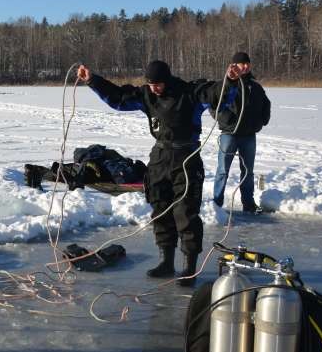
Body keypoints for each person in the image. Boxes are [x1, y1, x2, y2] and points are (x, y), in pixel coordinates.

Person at [78, 60, 222, 285]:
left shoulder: (189, 93)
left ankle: (189, 267)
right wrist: (92, 80)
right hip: (160, 156)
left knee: (186, 212)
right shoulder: (147, 95)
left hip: (186, 157)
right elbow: (117, 98)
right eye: (150, 84)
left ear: (168, 79)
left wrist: (231, 81)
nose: (154, 88)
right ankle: (166, 262)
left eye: (158, 84)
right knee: (160, 208)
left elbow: (215, 93)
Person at [211, 52, 271, 214]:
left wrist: (261, 121)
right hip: (229, 134)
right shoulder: (225, 84)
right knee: (223, 170)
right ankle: (216, 204)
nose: (245, 66)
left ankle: (248, 204)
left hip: (248, 136)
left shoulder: (254, 86)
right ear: (234, 65)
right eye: (241, 63)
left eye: (247, 63)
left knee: (248, 172)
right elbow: (214, 104)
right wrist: (226, 120)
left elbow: (266, 104)